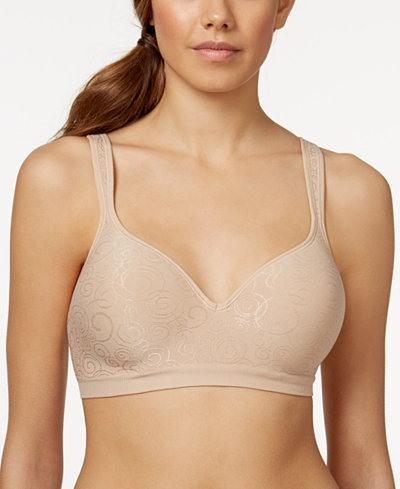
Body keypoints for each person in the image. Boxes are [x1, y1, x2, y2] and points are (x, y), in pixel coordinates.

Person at [0, 1, 396, 488]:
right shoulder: (65, 180)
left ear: (283, 6)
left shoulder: (350, 194)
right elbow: (31, 451)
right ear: (149, 7)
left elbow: (362, 450)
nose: (217, 15)